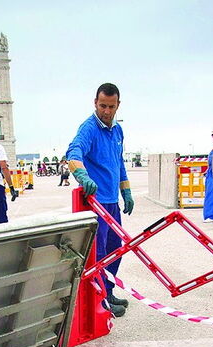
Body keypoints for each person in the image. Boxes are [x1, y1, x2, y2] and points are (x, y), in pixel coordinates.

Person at [66, 82, 133, 317]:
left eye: (111, 106)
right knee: (100, 253)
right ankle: (101, 302)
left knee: (117, 249)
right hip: (96, 203)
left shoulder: (118, 131)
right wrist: (82, 175)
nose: (106, 111)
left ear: (118, 105)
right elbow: (73, 152)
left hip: (112, 202)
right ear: (95, 103)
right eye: (102, 105)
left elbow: (119, 162)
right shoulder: (89, 128)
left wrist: (126, 190)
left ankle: (109, 291)